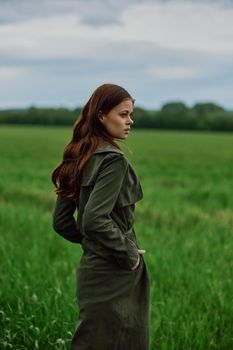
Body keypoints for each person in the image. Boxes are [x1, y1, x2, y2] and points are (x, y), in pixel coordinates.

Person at [51, 83, 151, 350]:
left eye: (130, 114)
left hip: (92, 271)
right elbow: (94, 219)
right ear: (101, 115)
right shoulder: (113, 160)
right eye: (123, 114)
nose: (130, 121)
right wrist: (128, 255)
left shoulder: (78, 154)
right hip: (115, 271)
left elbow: (61, 223)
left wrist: (92, 245)